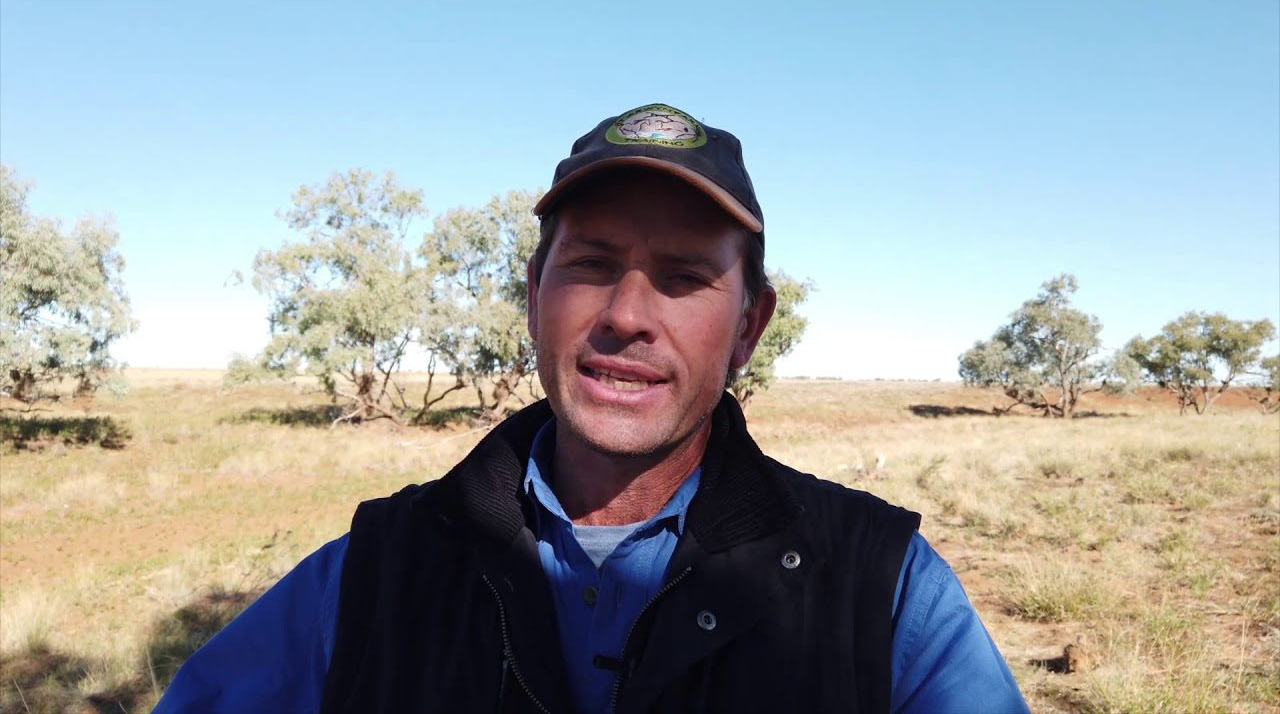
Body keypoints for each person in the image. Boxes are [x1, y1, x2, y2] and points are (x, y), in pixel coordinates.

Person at [155, 103, 1029, 714]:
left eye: (686, 279)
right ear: (535, 295)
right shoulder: (372, 576)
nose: (626, 315)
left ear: (749, 329)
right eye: (591, 264)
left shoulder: (883, 590)